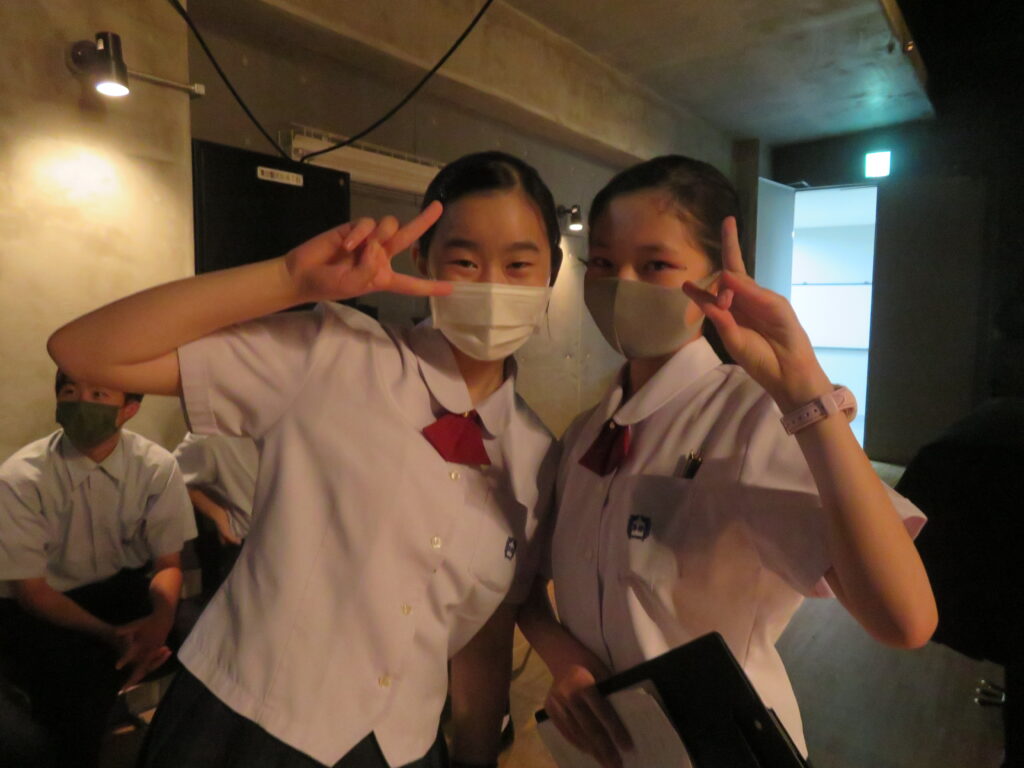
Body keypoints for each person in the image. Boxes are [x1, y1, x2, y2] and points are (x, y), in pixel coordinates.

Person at [47, 151, 563, 768]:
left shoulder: (537, 456)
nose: (492, 286)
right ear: (422, 260)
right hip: (240, 727)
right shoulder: (334, 353)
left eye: (518, 265)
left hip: (402, 749)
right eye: (465, 261)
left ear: (551, 276)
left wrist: (476, 757)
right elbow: (85, 352)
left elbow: (485, 635)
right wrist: (288, 278)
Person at [516, 155, 938, 768]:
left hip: (725, 749)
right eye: (602, 263)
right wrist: (564, 660)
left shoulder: (754, 417)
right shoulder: (585, 433)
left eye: (655, 264)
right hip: (608, 751)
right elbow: (529, 584)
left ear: (716, 284)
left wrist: (804, 394)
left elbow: (905, 620)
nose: (621, 283)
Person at [0, 371, 196, 768]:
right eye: (70, 391)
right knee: (83, 676)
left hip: (119, 588)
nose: (81, 403)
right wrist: (113, 637)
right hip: (43, 603)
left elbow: (168, 563)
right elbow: (31, 591)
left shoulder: (156, 466)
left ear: (129, 409)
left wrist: (159, 623)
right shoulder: (20, 477)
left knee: (200, 642)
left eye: (98, 394)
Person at [172, 432, 258, 598]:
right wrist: (216, 513)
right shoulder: (208, 439)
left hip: (297, 539)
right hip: (247, 546)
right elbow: (169, 477)